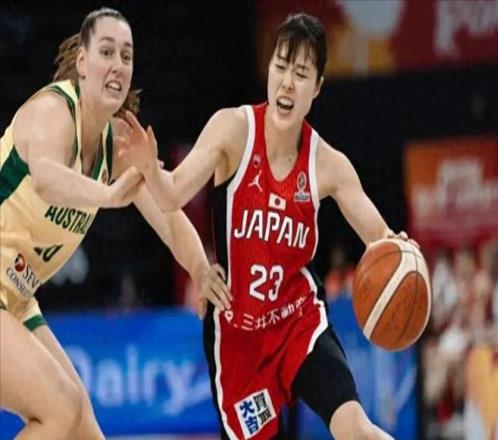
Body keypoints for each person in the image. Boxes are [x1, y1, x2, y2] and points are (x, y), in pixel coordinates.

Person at [118, 13, 415, 440]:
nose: (287, 83)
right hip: (238, 338)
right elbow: (172, 195)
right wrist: (150, 169)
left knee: (355, 427)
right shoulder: (233, 130)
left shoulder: (328, 164)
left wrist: (399, 252)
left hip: (297, 322)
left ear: (317, 87)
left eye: (301, 73)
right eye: (281, 66)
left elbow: (379, 239)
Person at [0, 7, 228, 440]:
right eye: (106, 52)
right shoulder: (53, 111)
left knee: (82, 425)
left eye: (126, 55)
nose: (118, 65)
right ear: (82, 62)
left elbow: (169, 215)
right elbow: (46, 178)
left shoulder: (118, 143)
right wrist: (106, 196)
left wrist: (201, 271)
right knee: (59, 408)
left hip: (16, 296)